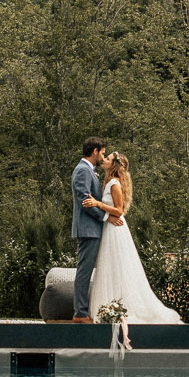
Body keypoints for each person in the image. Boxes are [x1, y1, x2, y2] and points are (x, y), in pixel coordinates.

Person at [81, 152, 183, 325]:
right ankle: (110, 305)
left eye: (108, 158)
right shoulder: (109, 182)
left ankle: (119, 306)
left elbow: (119, 210)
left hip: (115, 229)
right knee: (109, 265)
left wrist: (97, 204)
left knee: (117, 264)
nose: (104, 160)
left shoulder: (114, 183)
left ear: (113, 165)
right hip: (109, 227)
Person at [69, 136, 117, 323]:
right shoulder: (82, 171)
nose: (103, 157)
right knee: (84, 270)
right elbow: (85, 202)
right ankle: (80, 313)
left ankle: (86, 310)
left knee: (88, 270)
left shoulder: (88, 171)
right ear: (95, 151)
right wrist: (106, 217)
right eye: (103, 153)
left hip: (93, 228)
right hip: (88, 229)